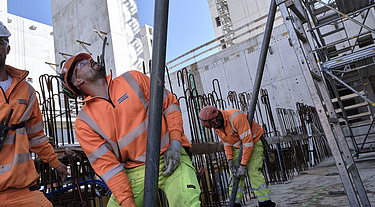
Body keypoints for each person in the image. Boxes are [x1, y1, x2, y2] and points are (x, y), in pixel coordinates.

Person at [59, 53, 201, 207]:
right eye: (81, 64)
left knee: (186, 202)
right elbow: (109, 167)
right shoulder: (85, 122)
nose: (89, 60)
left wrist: (175, 142)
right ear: (78, 81)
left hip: (170, 155)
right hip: (135, 170)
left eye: (87, 59)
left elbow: (170, 105)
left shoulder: (133, 79)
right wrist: (128, 203)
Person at [0, 21, 69, 206]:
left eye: (0, 42)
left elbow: (36, 136)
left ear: (8, 48)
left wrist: (57, 164)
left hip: (23, 189)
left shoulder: (26, 91)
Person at [199, 106, 276, 207]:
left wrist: (243, 165)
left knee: (253, 172)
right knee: (235, 175)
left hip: (253, 141)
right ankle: (234, 203)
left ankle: (265, 202)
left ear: (218, 117)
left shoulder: (236, 119)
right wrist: (230, 159)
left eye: (214, 125)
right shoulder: (216, 125)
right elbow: (226, 142)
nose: (214, 128)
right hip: (237, 145)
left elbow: (247, 143)